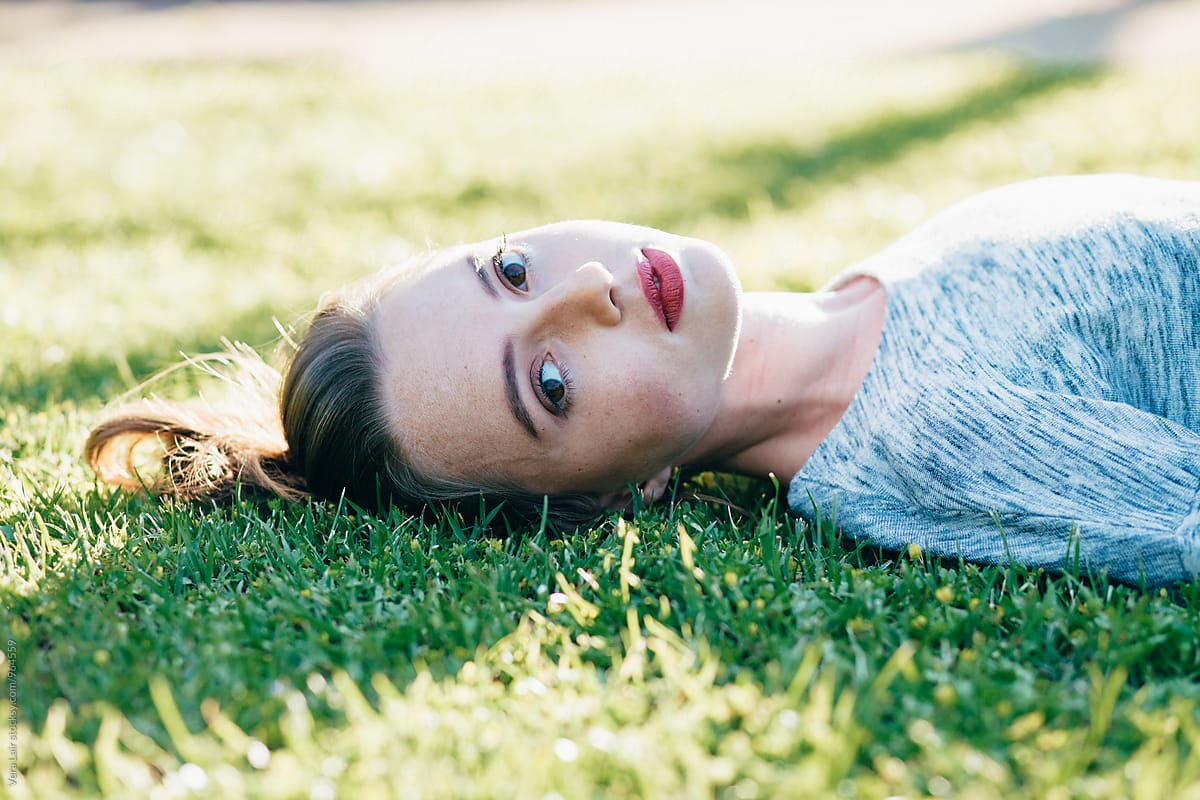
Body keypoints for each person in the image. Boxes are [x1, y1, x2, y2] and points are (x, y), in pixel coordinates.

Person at [87, 174, 1200, 587]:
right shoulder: (933, 434)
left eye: (509, 268)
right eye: (554, 383)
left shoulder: (873, 295)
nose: (584, 287)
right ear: (626, 493)